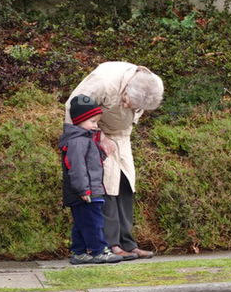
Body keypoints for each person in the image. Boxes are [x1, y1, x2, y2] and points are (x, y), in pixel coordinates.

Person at [65, 62, 164, 260]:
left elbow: (134, 112)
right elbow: (73, 106)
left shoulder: (149, 83)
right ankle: (111, 244)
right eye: (126, 101)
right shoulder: (104, 81)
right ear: (126, 89)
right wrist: (97, 137)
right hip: (95, 137)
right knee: (106, 188)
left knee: (125, 186)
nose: (126, 106)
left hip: (122, 137)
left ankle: (128, 243)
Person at [58, 94, 124, 265]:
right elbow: (77, 167)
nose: (96, 126)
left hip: (90, 189)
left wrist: (102, 153)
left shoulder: (86, 139)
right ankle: (99, 251)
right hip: (85, 192)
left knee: (82, 223)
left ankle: (79, 252)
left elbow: (91, 163)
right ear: (79, 120)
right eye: (92, 121)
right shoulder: (78, 141)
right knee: (94, 222)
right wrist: (84, 190)